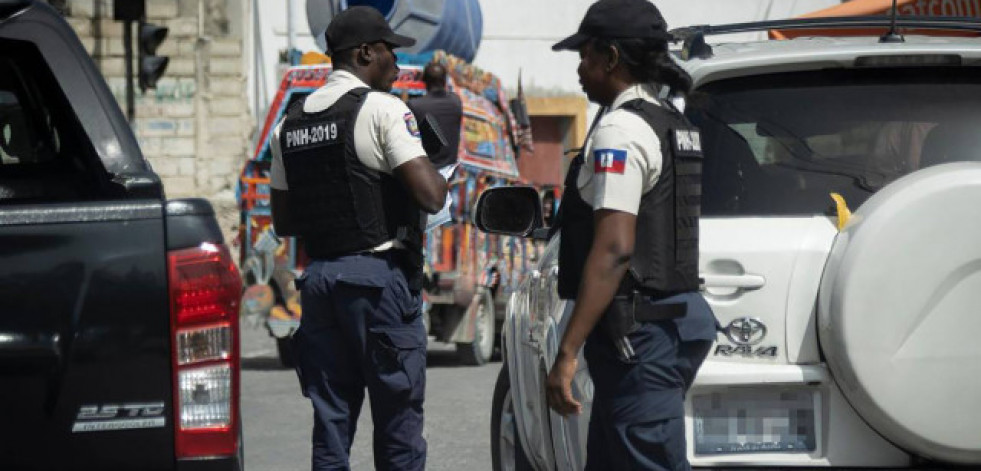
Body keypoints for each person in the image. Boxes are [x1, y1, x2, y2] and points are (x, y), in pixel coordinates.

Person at [267, 6, 447, 470]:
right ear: (366, 53)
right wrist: (434, 167)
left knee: (331, 424)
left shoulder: (290, 123)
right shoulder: (384, 109)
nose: (398, 63)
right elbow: (430, 195)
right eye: (390, 51)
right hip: (377, 282)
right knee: (398, 426)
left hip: (321, 282)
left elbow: (284, 223)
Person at [545, 1, 719, 470]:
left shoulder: (620, 130)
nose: (580, 68)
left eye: (584, 55)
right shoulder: (671, 122)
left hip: (641, 336)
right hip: (669, 323)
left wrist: (566, 351)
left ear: (611, 57)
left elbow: (616, 248)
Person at [407, 61, 463, 168]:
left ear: (424, 81)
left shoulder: (415, 105)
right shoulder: (456, 101)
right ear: (444, 81)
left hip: (426, 171)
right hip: (451, 170)